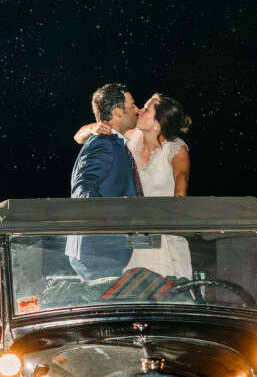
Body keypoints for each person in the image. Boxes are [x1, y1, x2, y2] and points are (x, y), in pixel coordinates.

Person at [74, 92, 192, 278]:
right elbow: (79, 137)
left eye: (146, 109)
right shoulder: (128, 137)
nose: (138, 111)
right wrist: (93, 128)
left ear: (157, 123)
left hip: (162, 236)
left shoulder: (176, 149)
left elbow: (181, 184)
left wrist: (174, 218)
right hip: (130, 238)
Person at [65, 82, 143, 280]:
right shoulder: (103, 143)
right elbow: (84, 184)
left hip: (103, 250)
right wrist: (101, 225)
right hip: (99, 250)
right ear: (117, 112)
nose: (137, 109)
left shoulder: (113, 141)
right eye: (133, 105)